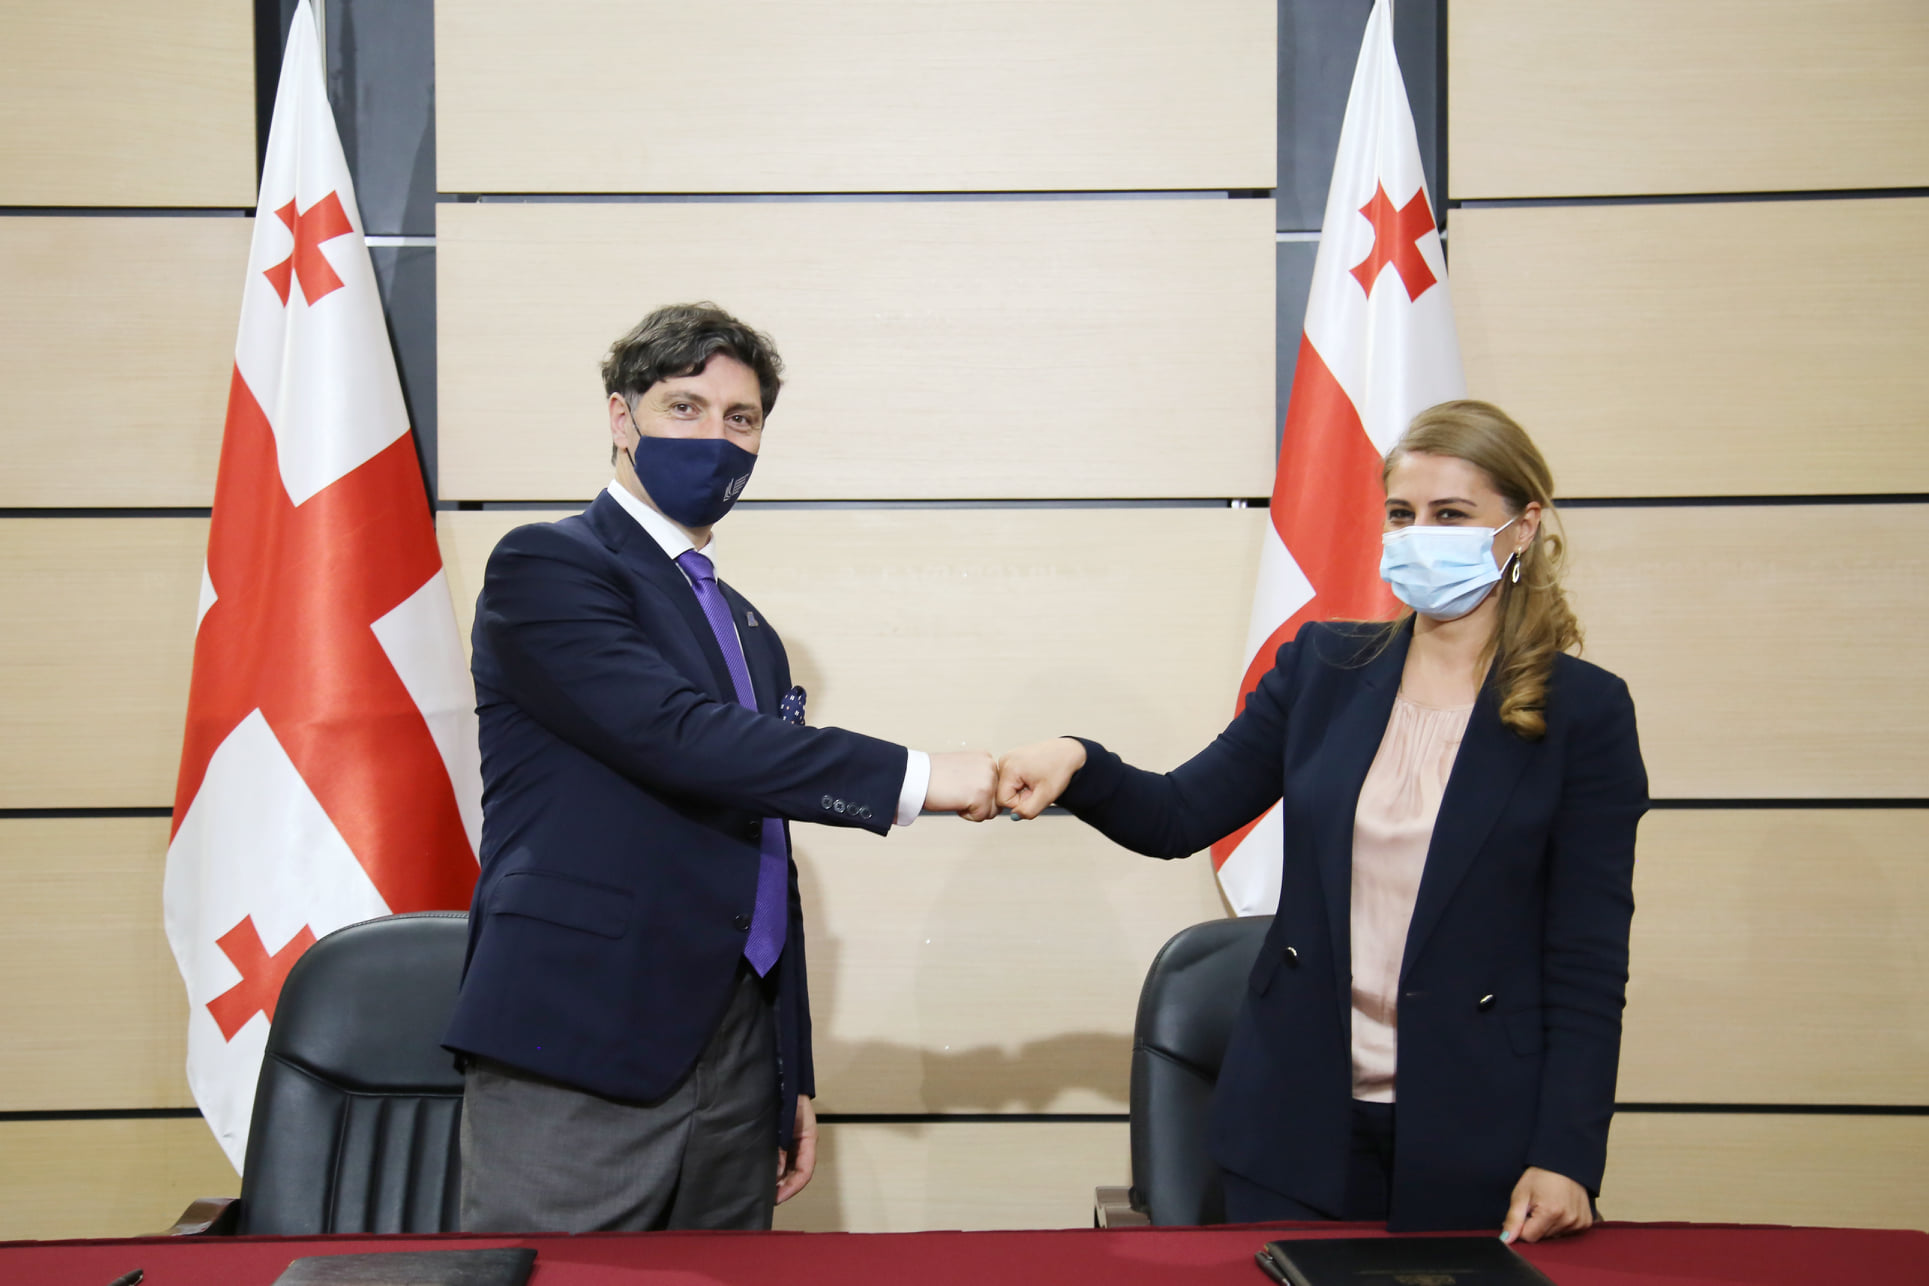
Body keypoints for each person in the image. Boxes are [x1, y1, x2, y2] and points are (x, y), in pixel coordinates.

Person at [996, 400, 1647, 1240]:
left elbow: (1586, 962)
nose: (1419, 535)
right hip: (1293, 1124)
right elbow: (1178, 814)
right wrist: (1080, 762)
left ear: (1520, 527)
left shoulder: (1585, 712)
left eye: (1450, 515)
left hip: (1480, 1130)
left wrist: (1566, 1155)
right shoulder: (1323, 668)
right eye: (1401, 513)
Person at [444, 302, 999, 1233]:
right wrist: (916, 778)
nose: (715, 437)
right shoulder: (548, 565)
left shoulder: (748, 627)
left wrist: (790, 1070)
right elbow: (675, 735)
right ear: (620, 416)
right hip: (579, 1038)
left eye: (740, 419)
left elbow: (762, 847)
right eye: (684, 408)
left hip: (737, 1059)